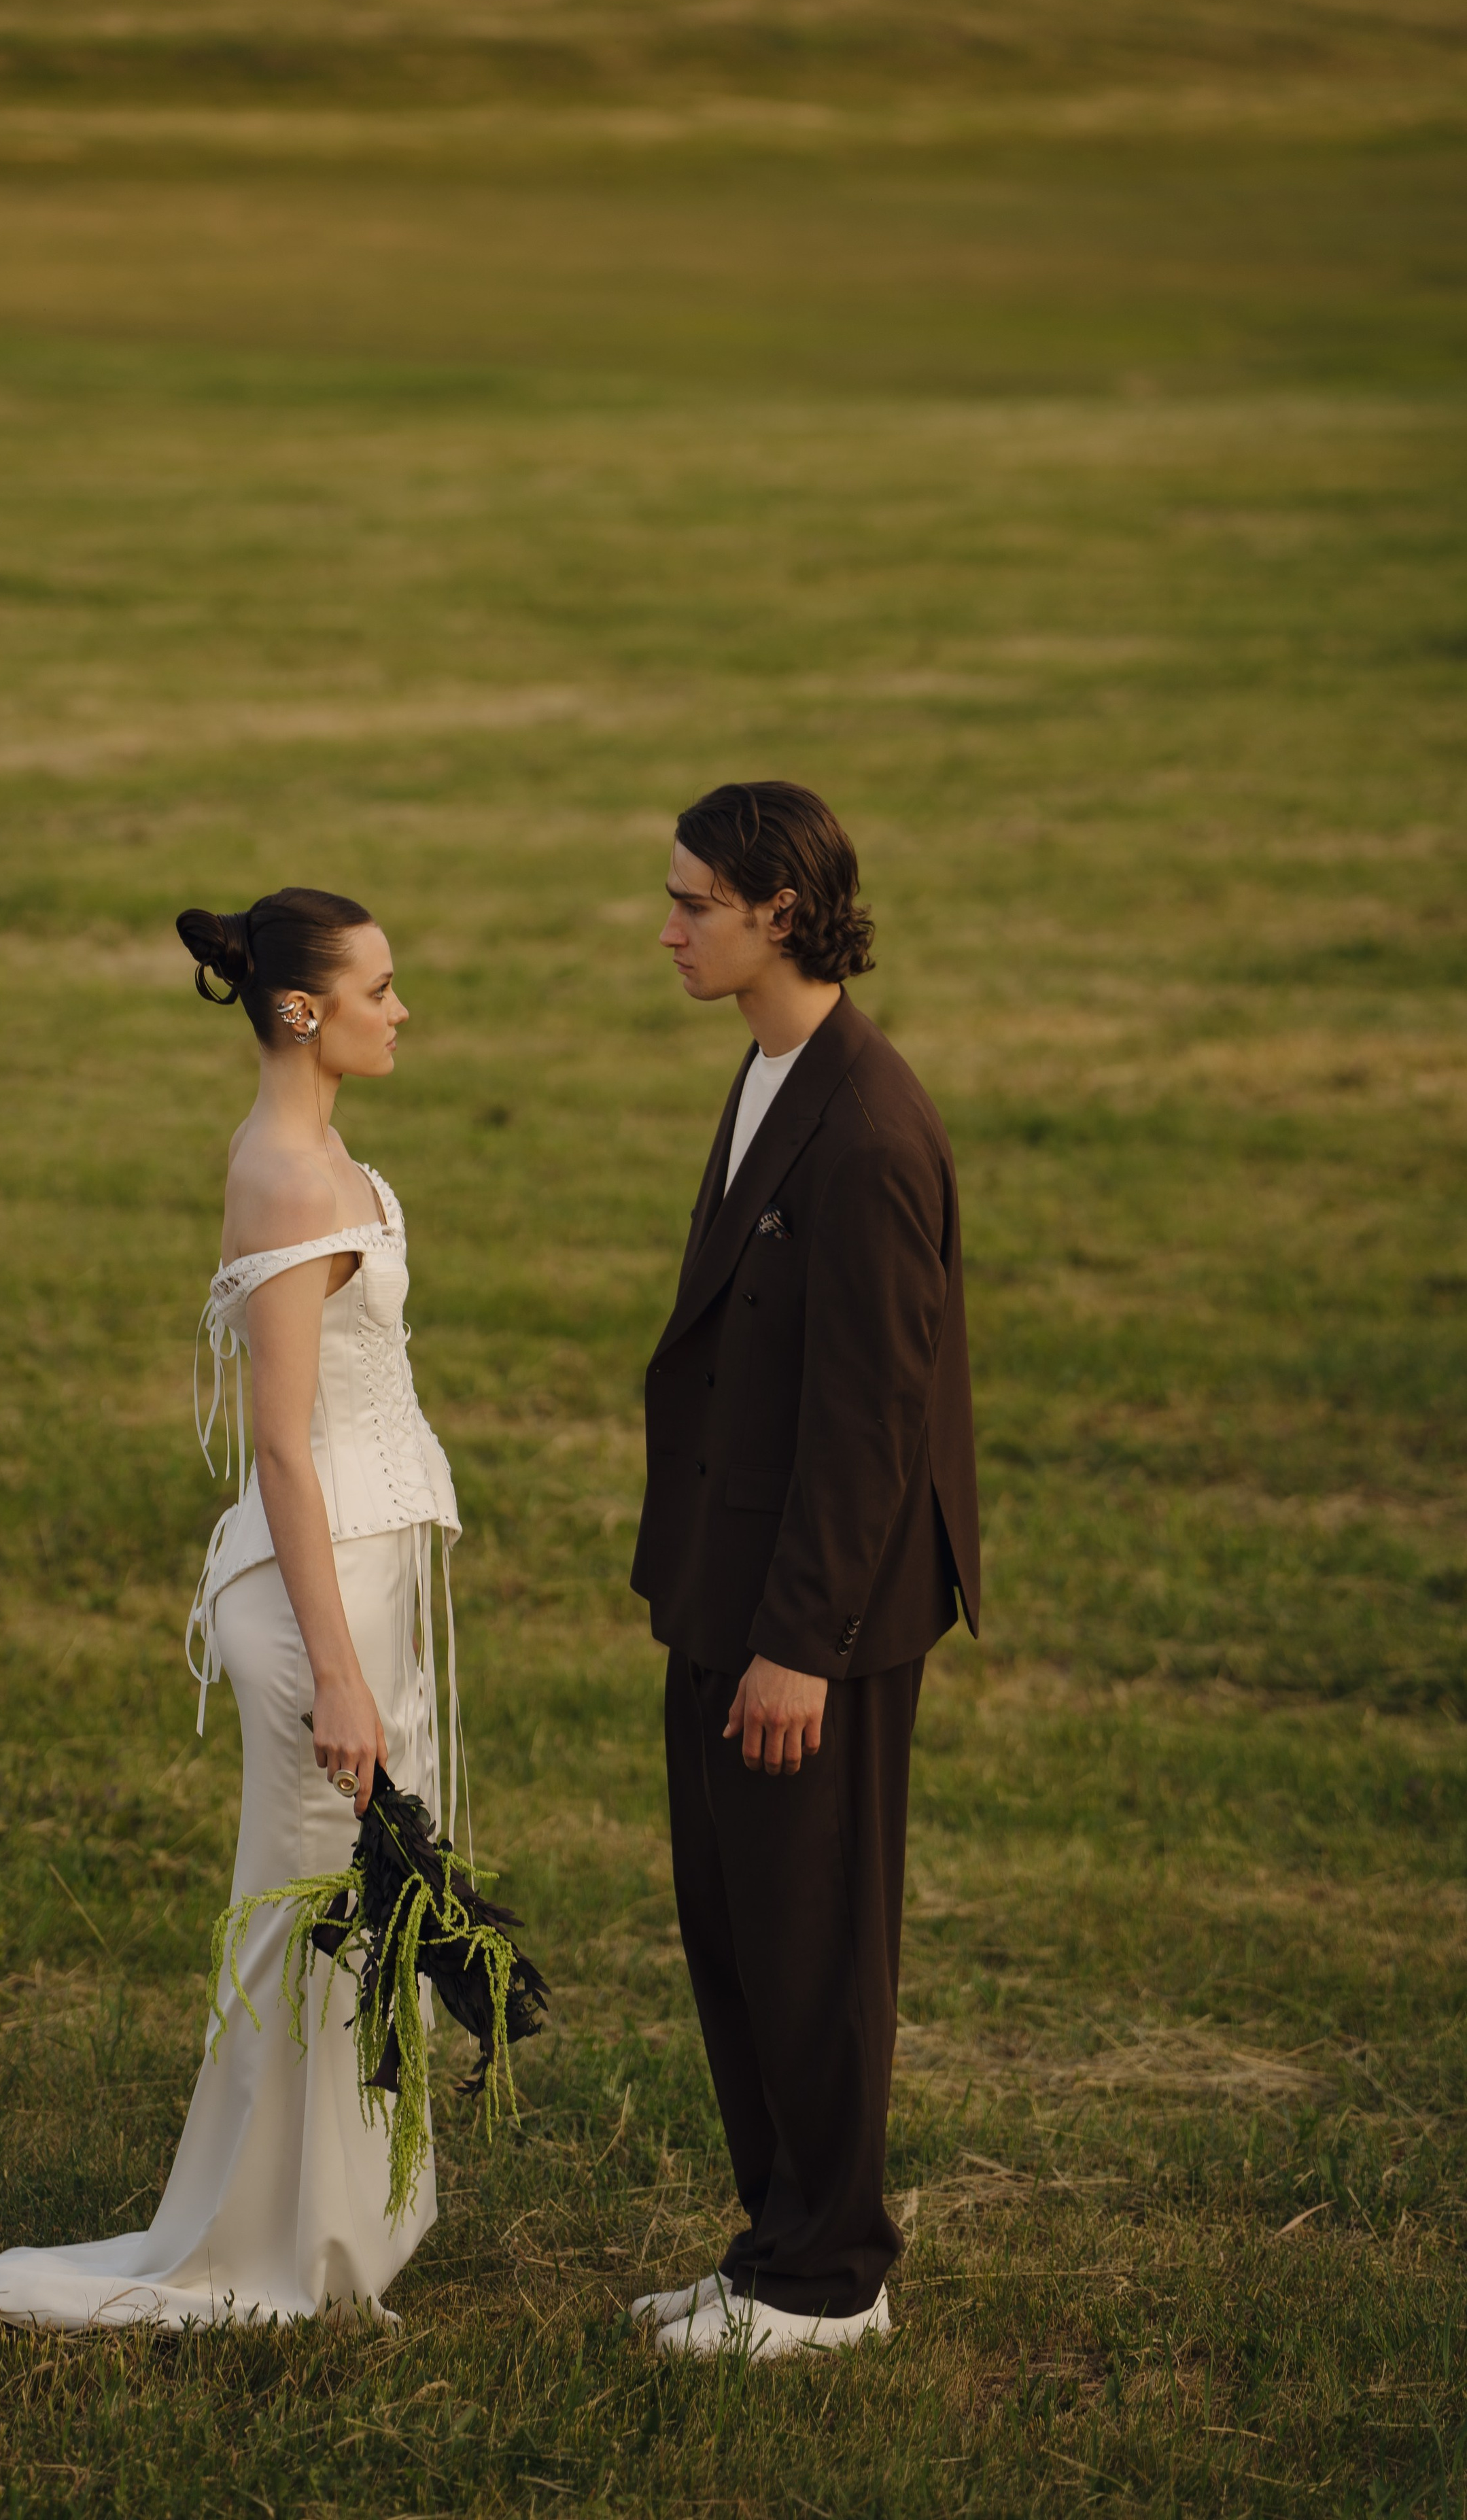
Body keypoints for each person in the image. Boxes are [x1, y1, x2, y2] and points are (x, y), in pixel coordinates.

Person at [0, 888, 462, 2330]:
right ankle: (270, 2247)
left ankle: (339, 2225)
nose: (400, 1010)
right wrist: (340, 1678)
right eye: (379, 989)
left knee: (362, 1896)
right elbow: (280, 1444)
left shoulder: (327, 1149)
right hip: (315, 1592)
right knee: (308, 1908)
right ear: (301, 1010)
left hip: (372, 1570)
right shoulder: (285, 1174)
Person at [627, 783, 980, 2360]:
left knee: (815, 1943)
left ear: (778, 907)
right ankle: (772, 2245)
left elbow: (870, 1424)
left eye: (693, 900)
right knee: (733, 1927)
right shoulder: (772, 1070)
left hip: (805, 1617)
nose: (669, 925)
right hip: (727, 1583)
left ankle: (833, 2282)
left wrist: (798, 1647)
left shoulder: (871, 1126)